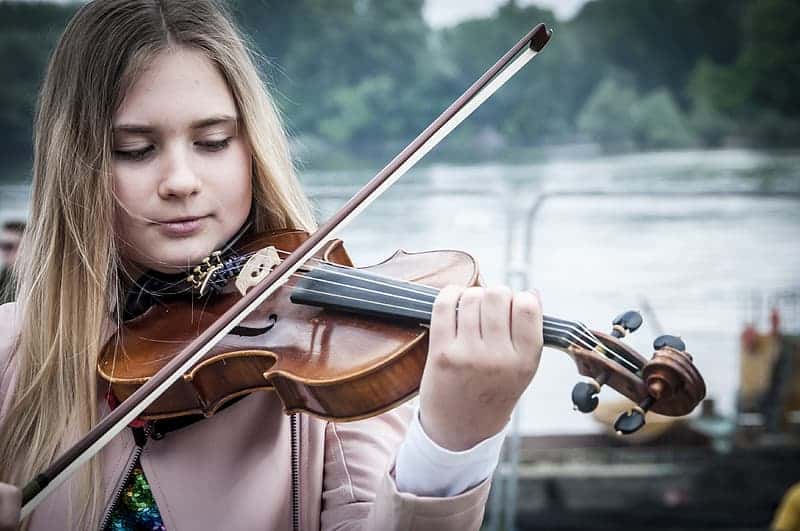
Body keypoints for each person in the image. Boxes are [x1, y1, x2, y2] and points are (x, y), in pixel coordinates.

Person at [0, 1, 543, 530]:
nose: (181, 180)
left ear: (251, 149)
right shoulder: (9, 355)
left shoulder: (324, 358)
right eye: (136, 150)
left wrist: (454, 441)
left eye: (213, 142)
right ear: (77, 165)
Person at [0, 221, 24, 304]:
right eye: (1, 245)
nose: (3, 251)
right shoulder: (4, 276)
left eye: (8, 246)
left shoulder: (33, 280)